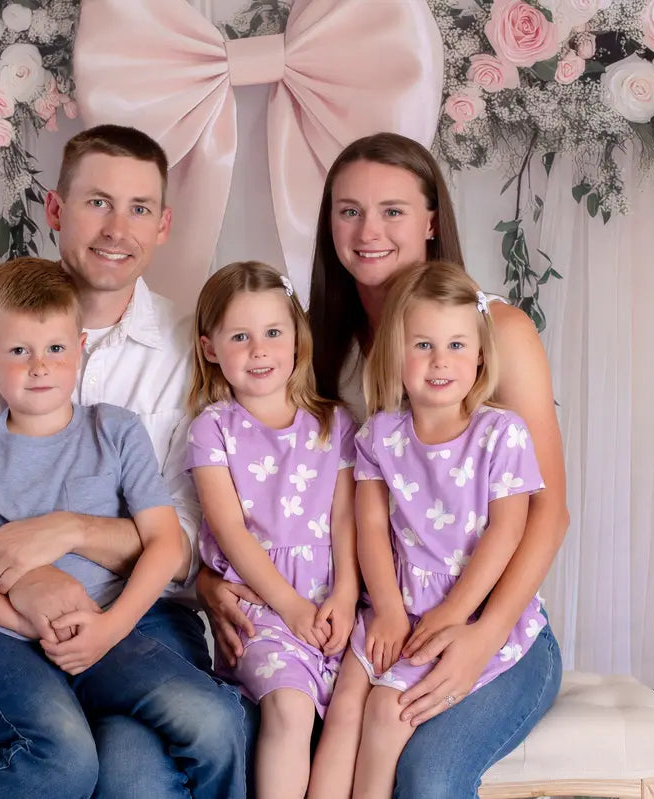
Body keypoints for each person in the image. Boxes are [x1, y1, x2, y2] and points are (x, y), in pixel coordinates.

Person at [199, 132, 568, 798]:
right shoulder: (305, 343)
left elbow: (547, 513)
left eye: (392, 210)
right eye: (348, 211)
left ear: (431, 221)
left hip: (491, 618)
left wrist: (480, 633)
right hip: (365, 626)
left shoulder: (494, 334)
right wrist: (208, 578)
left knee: (423, 773)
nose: (368, 230)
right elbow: (252, 484)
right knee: (274, 733)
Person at [0, 125, 248, 799]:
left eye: (139, 208)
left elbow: (190, 537)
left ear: (163, 224)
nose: (117, 228)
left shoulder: (188, 346)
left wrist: (68, 529)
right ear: (55, 209)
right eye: (97, 202)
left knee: (137, 777)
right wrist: (19, 581)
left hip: (142, 621)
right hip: (4, 623)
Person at [311, 262, 548, 797]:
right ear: (396, 353)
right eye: (422, 345)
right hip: (396, 605)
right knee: (344, 705)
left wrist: (452, 611)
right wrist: (391, 611)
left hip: (468, 609)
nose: (440, 361)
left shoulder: (499, 433)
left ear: (482, 354)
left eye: (458, 346)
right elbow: (369, 528)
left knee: (385, 713)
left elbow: (508, 533)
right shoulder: (380, 434)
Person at [185, 262, 359, 799]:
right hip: (264, 606)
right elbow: (230, 531)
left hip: (336, 602)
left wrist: (348, 595)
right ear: (211, 347)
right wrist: (289, 606)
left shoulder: (336, 423)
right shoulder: (212, 429)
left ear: (296, 340)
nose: (259, 350)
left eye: (273, 333)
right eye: (240, 336)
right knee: (290, 708)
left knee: (356, 715)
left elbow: (348, 521)